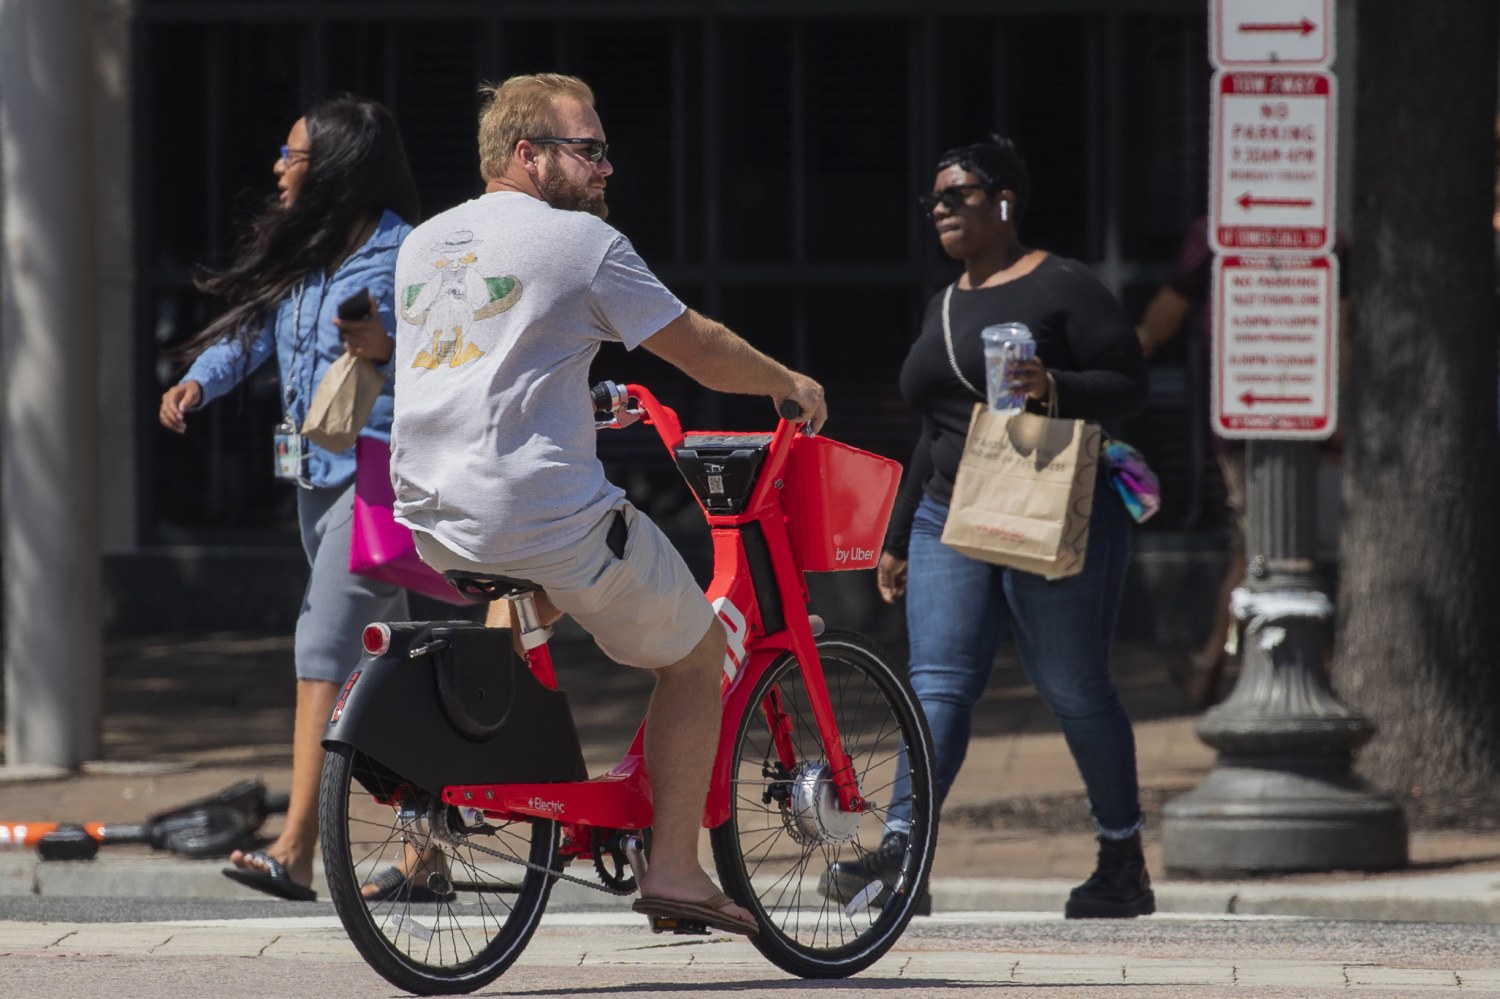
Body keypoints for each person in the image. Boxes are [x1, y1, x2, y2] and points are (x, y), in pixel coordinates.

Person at [387, 73, 826, 937]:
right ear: (528, 154)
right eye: (587, 150)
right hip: (535, 514)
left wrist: (575, 404)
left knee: (536, 594)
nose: (605, 167)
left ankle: (469, 779)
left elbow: (486, 368)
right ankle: (675, 870)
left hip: (432, 514)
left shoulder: (426, 241)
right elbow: (698, 348)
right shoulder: (580, 242)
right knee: (697, 654)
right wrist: (787, 381)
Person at [822, 135, 1155, 919]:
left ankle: (1121, 860)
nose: (940, 209)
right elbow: (935, 428)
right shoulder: (943, 304)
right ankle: (904, 855)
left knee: (1074, 686)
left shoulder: (1065, 284)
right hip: (949, 509)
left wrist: (1054, 383)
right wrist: (899, 533)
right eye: (933, 199)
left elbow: (1129, 384)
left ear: (1004, 201)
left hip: (1050, 502)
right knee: (937, 683)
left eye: (957, 195)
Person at [158, 95, 419, 901]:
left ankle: (298, 844)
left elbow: (448, 348)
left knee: (322, 645)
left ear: (335, 167)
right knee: (393, 667)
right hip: (315, 478)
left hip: (377, 477)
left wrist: (388, 342)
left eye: (291, 154)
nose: (277, 167)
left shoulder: (406, 254)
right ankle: (429, 851)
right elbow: (251, 334)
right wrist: (198, 381)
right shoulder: (307, 252)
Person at [1137, 217, 1351, 706]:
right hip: (1256, 410)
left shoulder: (1322, 237)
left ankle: (1232, 661)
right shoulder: (1220, 233)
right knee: (1261, 545)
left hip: (1291, 410)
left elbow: (1339, 328)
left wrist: (1337, 411)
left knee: (1262, 546)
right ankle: (1236, 660)